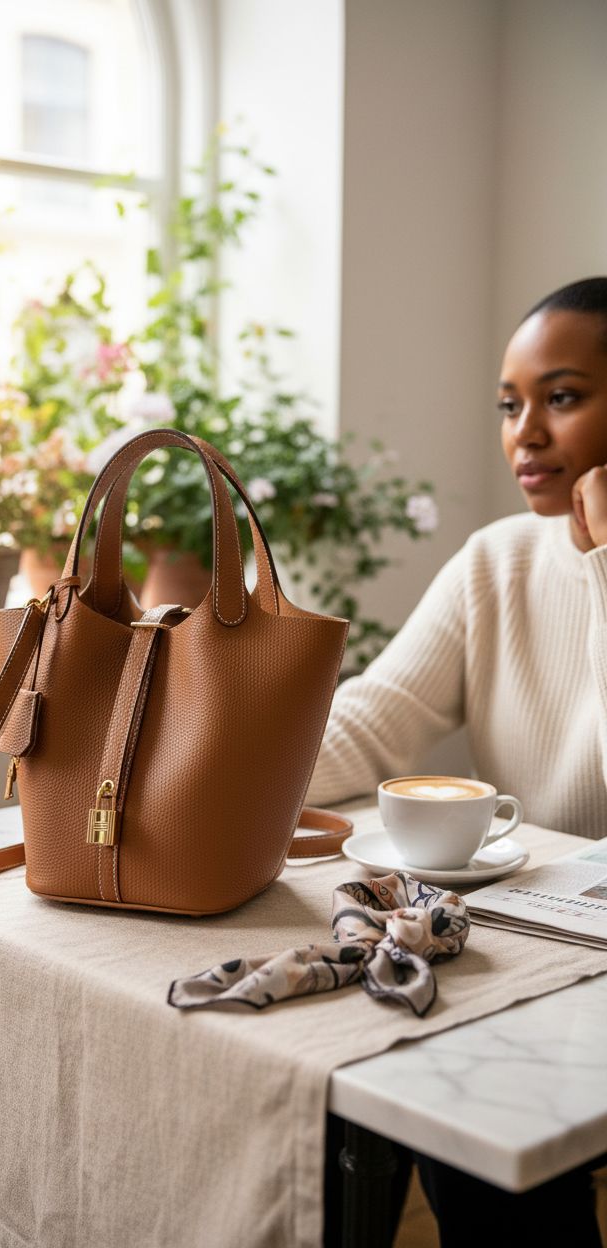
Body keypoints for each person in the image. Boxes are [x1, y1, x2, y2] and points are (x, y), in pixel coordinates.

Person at [312, 276, 607, 1247]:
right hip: (537, 955)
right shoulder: (496, 562)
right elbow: (368, 725)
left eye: (560, 397)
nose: (522, 433)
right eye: (508, 404)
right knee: (461, 1131)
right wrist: (195, 757)